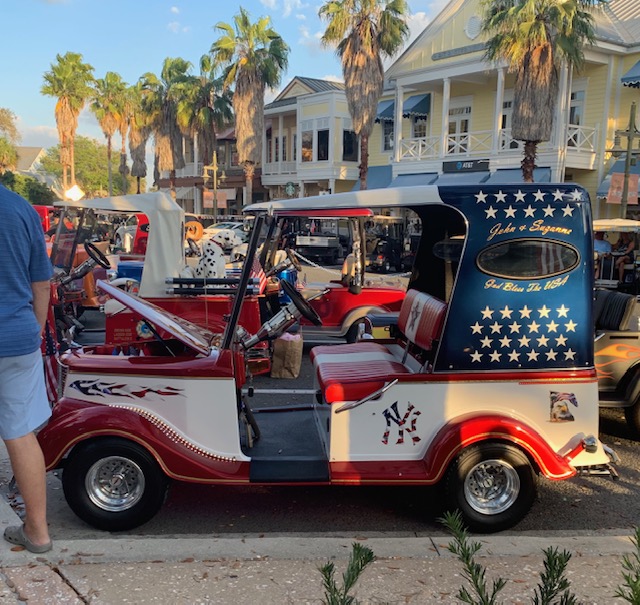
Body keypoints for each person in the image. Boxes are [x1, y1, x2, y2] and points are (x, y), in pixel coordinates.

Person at [0, 185, 53, 553]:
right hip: (18, 337)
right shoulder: (22, 210)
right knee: (19, 432)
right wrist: (34, 331)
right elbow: (42, 284)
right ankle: (37, 532)